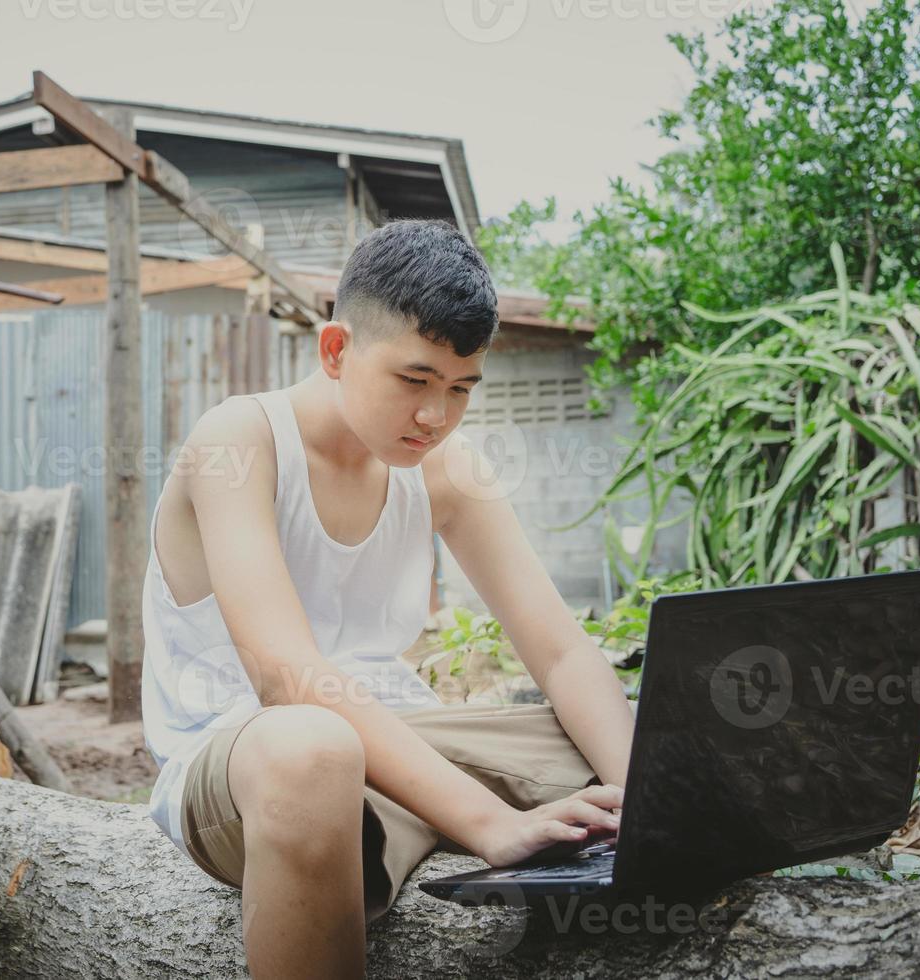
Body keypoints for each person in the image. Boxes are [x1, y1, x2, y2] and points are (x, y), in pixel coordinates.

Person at [140, 219, 635, 978]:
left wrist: (643, 795)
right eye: (415, 381)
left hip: (398, 736)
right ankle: (420, 823)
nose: (436, 417)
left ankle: (419, 824)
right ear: (336, 351)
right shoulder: (239, 439)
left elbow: (562, 652)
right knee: (314, 748)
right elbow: (287, 678)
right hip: (247, 755)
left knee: (621, 738)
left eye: (460, 389)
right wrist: (491, 823)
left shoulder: (446, 466)